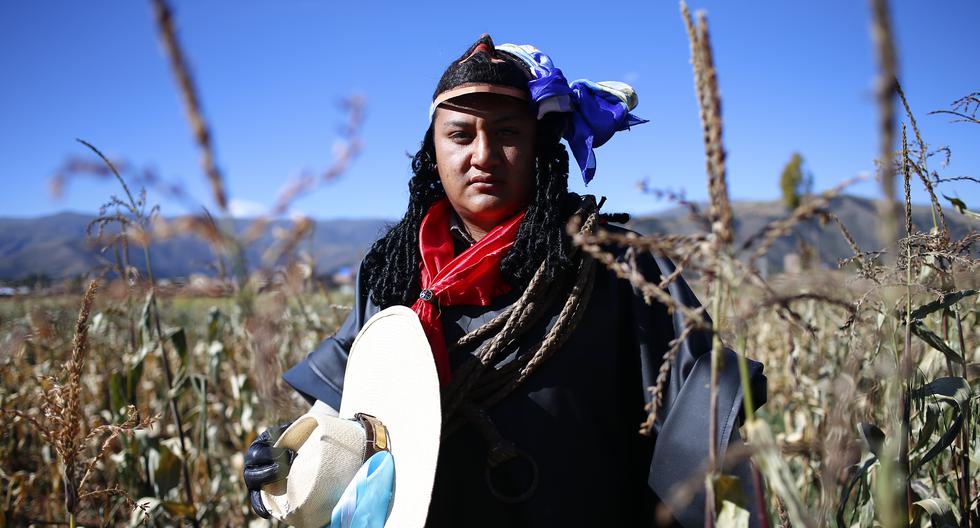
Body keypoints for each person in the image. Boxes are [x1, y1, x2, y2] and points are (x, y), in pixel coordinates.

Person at [246, 34, 766, 527]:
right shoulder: (392, 272)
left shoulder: (615, 265)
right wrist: (286, 460)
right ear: (434, 151)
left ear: (541, 147)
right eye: (460, 134)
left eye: (508, 133)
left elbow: (703, 419)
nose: (483, 154)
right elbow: (349, 405)